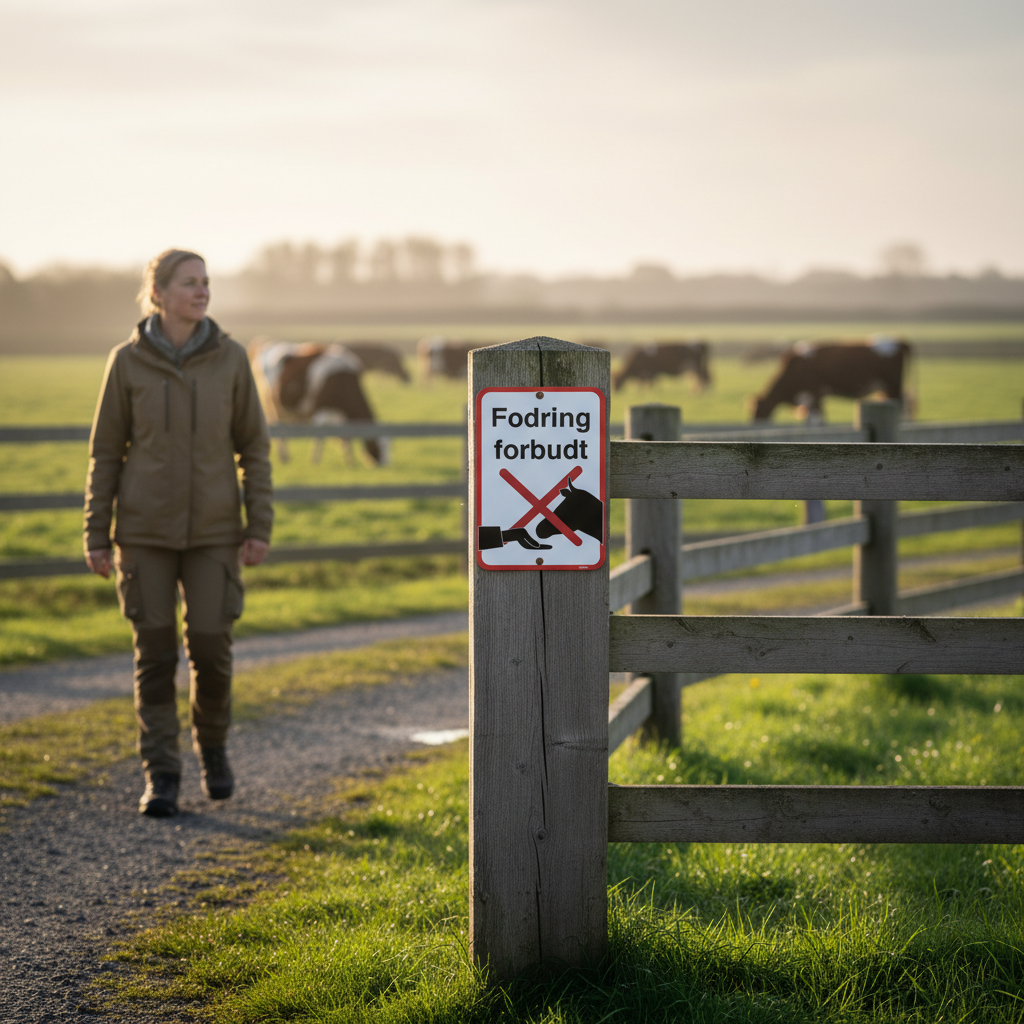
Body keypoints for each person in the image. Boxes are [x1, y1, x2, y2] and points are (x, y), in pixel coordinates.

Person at [83, 249, 273, 818]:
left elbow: (255, 449)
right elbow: (105, 453)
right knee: (155, 654)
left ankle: (212, 748)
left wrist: (258, 524)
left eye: (206, 282)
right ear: (158, 292)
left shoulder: (232, 359)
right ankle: (161, 774)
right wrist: (97, 532)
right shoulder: (126, 362)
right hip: (143, 534)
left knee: (212, 649)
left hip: (216, 533)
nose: (203, 291)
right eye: (190, 283)